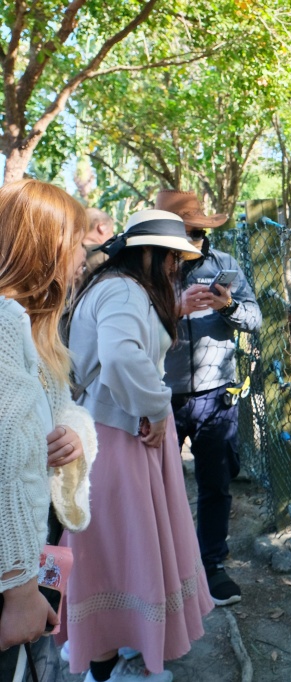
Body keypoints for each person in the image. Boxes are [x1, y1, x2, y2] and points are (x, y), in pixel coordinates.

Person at [62, 209, 213, 682]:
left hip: (118, 431)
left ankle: (122, 651)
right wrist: (155, 406)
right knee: (117, 552)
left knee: (125, 550)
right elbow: (121, 357)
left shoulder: (117, 287)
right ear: (147, 252)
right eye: (171, 256)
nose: (175, 266)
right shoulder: (124, 291)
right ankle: (105, 666)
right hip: (117, 438)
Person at [0, 180, 96, 679]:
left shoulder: (32, 326)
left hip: (34, 556)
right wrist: (20, 592)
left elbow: (64, 409)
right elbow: (8, 463)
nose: (85, 257)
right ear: (47, 247)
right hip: (12, 579)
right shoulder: (3, 325)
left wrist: (75, 435)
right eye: (78, 243)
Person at [156, 190, 262, 607]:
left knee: (216, 483)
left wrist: (229, 305)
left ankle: (212, 565)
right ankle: (160, 570)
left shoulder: (224, 265)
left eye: (200, 232)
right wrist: (173, 308)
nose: (196, 240)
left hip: (215, 396)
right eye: (188, 232)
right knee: (156, 488)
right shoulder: (147, 272)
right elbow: (130, 326)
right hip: (159, 396)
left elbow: (255, 319)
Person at [82, 208, 115, 279]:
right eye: (112, 231)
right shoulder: (105, 255)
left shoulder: (67, 251)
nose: (112, 235)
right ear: (102, 227)